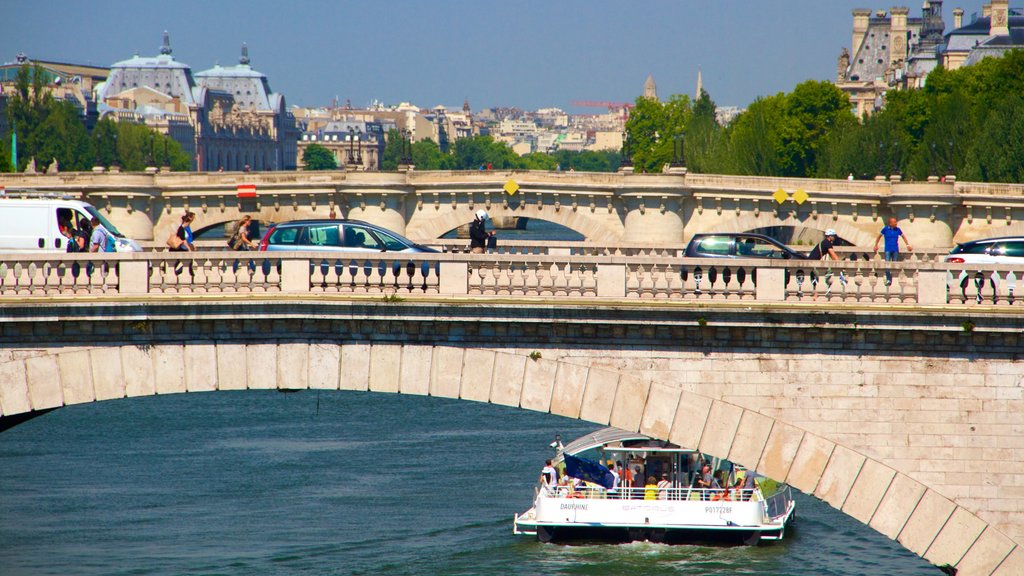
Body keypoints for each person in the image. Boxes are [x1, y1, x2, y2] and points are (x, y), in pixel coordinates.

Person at [873, 217, 912, 286]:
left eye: (896, 222)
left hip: (895, 249)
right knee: (887, 265)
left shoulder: (898, 230)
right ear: (890, 223)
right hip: (887, 249)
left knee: (894, 265)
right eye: (894, 222)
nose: (896, 223)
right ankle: (888, 279)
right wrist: (876, 245)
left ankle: (893, 279)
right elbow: (879, 236)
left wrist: (908, 245)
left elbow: (903, 236)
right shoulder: (885, 229)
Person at [807, 228, 844, 298]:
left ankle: (815, 294)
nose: (834, 237)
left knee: (816, 279)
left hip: (812, 261)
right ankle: (816, 295)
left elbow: (832, 256)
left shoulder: (825, 242)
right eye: (833, 236)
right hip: (813, 263)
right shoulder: (827, 243)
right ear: (829, 236)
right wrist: (841, 264)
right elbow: (833, 255)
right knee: (820, 277)